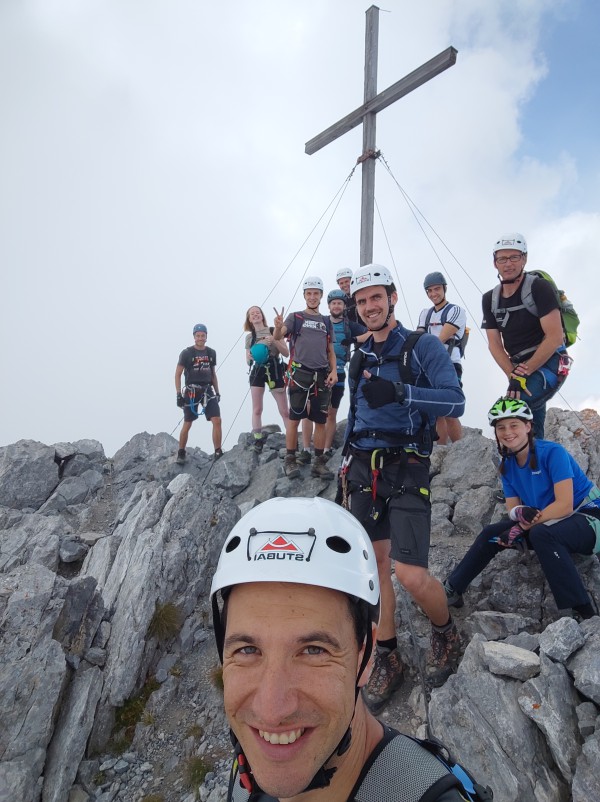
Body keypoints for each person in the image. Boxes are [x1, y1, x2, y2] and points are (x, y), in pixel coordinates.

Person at [210, 496, 482, 802]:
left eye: (314, 651)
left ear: (364, 657)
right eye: (247, 650)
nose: (271, 711)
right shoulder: (246, 768)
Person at [343, 263, 465, 709]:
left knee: (409, 573)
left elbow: (455, 400)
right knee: (376, 567)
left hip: (409, 464)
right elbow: (355, 412)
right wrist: (345, 459)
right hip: (363, 468)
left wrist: (401, 394)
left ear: (392, 298)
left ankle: (445, 631)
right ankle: (388, 654)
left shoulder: (423, 345)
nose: (370, 306)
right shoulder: (359, 356)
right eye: (362, 300)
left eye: (377, 297)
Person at [444, 397, 600, 621]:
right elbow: (512, 508)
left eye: (514, 425)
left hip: (589, 517)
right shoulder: (507, 465)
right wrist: (520, 516)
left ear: (528, 426)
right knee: (491, 534)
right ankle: (452, 589)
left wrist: (520, 528)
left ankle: (581, 610)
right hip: (552, 522)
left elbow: (565, 505)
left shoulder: (553, 453)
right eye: (501, 427)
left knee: (540, 533)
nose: (507, 432)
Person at [482, 233, 568, 439]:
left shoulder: (539, 287)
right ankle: (536, 463)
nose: (508, 264)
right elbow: (494, 344)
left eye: (514, 257)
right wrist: (513, 375)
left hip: (551, 360)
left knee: (516, 409)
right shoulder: (490, 299)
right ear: (495, 263)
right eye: (502, 259)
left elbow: (555, 337)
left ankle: (530, 461)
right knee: (530, 424)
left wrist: (521, 375)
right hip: (519, 368)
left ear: (524, 259)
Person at [273, 277, 338, 480]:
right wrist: (277, 326)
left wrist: (334, 371)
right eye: (309, 293)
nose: (312, 297)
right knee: (295, 419)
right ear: (304, 295)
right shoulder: (295, 318)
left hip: (321, 376)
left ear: (320, 296)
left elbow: (330, 350)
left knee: (320, 420)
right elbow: (277, 337)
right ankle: (290, 461)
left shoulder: (326, 321)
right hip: (300, 374)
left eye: (315, 293)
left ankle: (318, 463)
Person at [417, 272, 466, 444]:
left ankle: (459, 450)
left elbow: (440, 339)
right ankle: (441, 450)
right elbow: (418, 338)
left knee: (450, 410)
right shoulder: (425, 313)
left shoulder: (455, 311)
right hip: (429, 366)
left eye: (436, 289)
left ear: (444, 289)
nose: (433, 294)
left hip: (450, 363)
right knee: (437, 411)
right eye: (429, 291)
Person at [323, 289, 367, 456]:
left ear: (344, 306)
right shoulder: (323, 321)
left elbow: (369, 332)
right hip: (320, 371)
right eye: (333, 303)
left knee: (331, 412)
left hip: (340, 371)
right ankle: (317, 448)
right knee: (318, 410)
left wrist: (354, 339)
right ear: (329, 306)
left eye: (339, 303)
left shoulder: (349, 325)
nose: (336, 306)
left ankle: (326, 449)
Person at [244, 306, 290, 453]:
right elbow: (247, 360)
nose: (255, 315)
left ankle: (291, 436)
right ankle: (258, 438)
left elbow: (286, 353)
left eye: (257, 312)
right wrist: (250, 358)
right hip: (257, 370)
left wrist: (275, 341)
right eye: (252, 314)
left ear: (262, 316)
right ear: (249, 319)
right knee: (257, 408)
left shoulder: (273, 330)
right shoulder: (249, 337)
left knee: (284, 410)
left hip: (274, 368)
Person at [175, 324, 223, 463]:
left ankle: (218, 451)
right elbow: (177, 374)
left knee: (217, 420)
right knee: (188, 423)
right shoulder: (187, 353)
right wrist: (178, 394)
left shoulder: (211, 353)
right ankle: (181, 452)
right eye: (198, 335)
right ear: (194, 337)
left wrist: (218, 391)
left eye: (203, 335)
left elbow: (213, 374)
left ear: (206, 337)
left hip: (207, 390)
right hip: (191, 391)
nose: (200, 338)